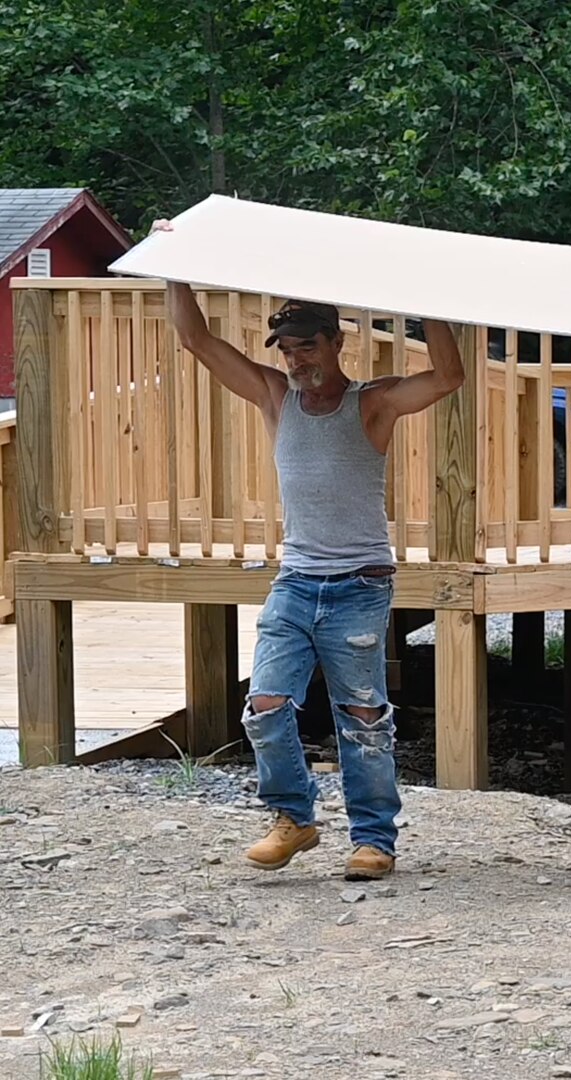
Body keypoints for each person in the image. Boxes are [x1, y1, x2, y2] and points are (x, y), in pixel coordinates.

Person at [160, 220, 465, 880]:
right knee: (265, 707)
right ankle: (294, 818)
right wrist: (173, 262)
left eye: (307, 347)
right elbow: (195, 339)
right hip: (296, 580)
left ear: (337, 343)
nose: (296, 360)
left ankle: (374, 839)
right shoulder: (276, 395)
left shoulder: (372, 404)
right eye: (288, 350)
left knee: (362, 717)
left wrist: (428, 300)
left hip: (360, 582)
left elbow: (448, 376)